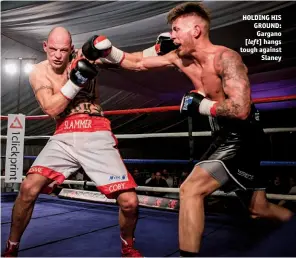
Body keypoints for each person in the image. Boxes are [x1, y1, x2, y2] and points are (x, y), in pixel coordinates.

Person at [80, 2, 294, 256]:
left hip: (244, 135)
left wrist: (202, 105)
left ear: (196, 30)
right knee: (259, 208)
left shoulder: (227, 58)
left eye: (176, 29)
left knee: (190, 189)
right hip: (223, 135)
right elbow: (135, 62)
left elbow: (241, 109)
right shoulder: (178, 56)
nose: (172, 35)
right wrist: (106, 49)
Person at [3, 27, 142, 257]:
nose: (58, 55)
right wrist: (76, 81)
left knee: (129, 202)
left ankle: (128, 246)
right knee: (28, 188)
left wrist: (160, 51)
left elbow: (136, 62)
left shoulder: (85, 57)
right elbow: (51, 108)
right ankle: (11, 247)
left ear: (71, 49)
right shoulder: (39, 72)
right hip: (64, 133)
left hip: (95, 129)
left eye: (63, 50)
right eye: (53, 49)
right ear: (45, 47)